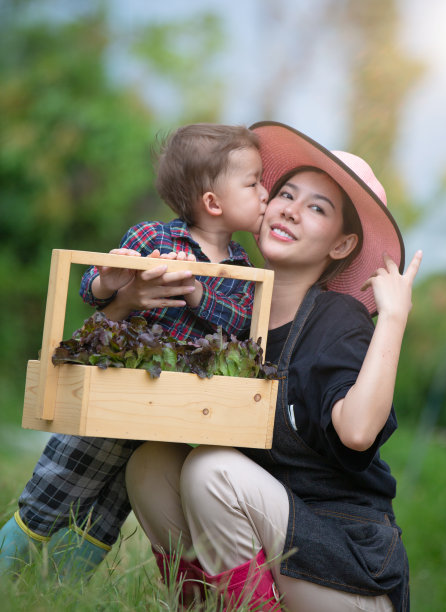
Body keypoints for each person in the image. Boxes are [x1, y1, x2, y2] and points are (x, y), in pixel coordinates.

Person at [125, 121, 422, 611]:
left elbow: (358, 431)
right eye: (286, 194)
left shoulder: (336, 319)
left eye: (317, 208)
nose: (290, 210)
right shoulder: (230, 311)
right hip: (272, 552)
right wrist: (124, 295)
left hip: (345, 570)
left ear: (341, 245)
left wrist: (392, 317)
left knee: (212, 469)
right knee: (151, 465)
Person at [0, 123, 268, 577]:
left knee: (107, 512)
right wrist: (112, 278)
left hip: (165, 415)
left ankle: (60, 588)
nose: (265, 193)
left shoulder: (242, 269)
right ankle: (9, 567)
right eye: (254, 182)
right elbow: (92, 287)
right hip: (111, 392)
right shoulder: (153, 239)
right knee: (58, 483)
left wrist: (197, 291)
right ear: (213, 202)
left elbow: (243, 327)